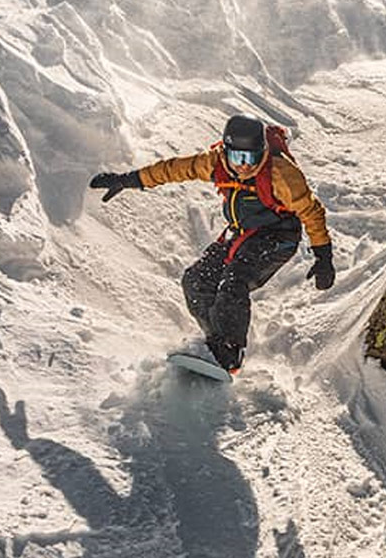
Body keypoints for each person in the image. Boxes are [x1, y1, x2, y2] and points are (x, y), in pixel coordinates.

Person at [89, 115, 334, 373]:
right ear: (225, 151)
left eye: (251, 158)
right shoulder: (215, 162)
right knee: (195, 281)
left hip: (278, 235)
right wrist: (129, 179)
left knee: (234, 281)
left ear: (262, 152)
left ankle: (229, 351)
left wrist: (323, 257)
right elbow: (175, 169)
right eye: (237, 157)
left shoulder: (280, 174)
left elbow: (311, 212)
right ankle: (215, 342)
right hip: (241, 233)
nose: (244, 166)